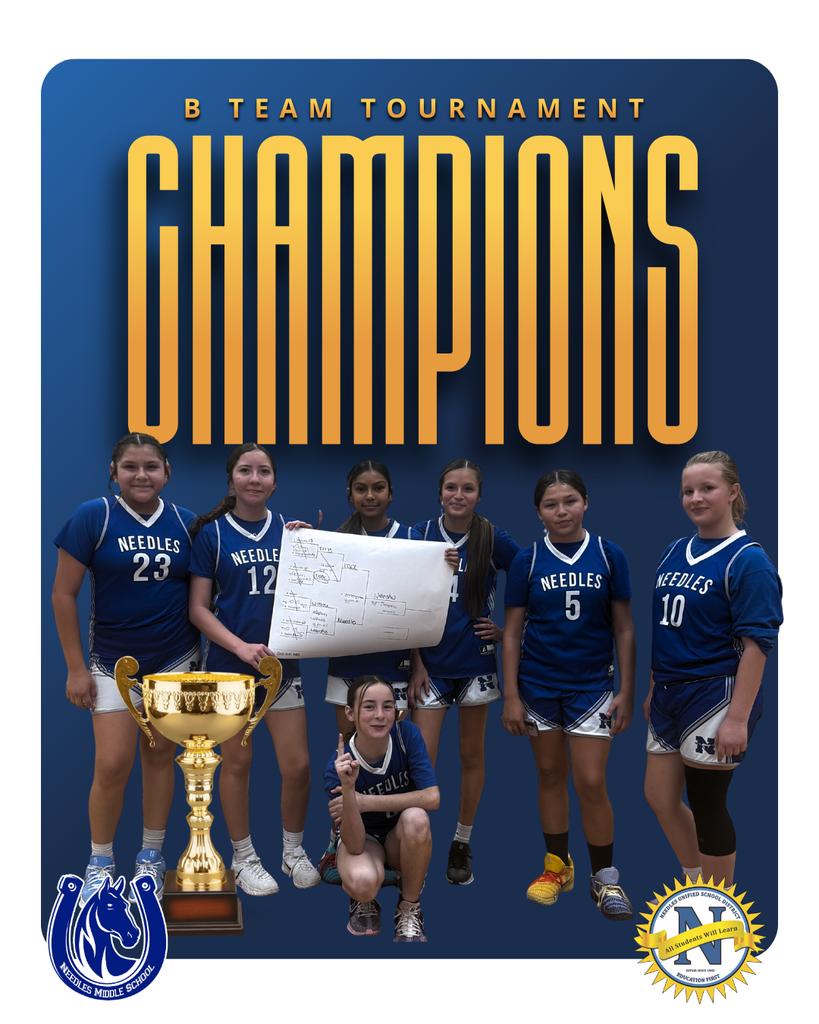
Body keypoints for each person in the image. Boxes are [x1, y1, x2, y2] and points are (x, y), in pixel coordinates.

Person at [52, 433, 202, 905]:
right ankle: (100, 861)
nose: (142, 475)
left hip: (175, 658)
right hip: (111, 662)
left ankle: (150, 859)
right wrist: (76, 668)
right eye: (131, 467)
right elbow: (62, 594)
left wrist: (297, 537)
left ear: (167, 472)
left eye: (151, 467)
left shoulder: (187, 523)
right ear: (113, 471)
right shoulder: (92, 516)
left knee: (160, 757)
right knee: (113, 764)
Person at [643, 451, 782, 889]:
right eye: (688, 490)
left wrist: (738, 718)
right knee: (659, 797)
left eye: (708, 488)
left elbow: (758, 643)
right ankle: (694, 880)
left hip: (715, 694)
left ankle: (718, 910)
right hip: (668, 690)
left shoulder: (749, 560)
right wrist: (652, 686)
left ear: (733, 492)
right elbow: (665, 626)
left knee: (707, 804)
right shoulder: (673, 549)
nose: (696, 498)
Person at [502, 469, 636, 920]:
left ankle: (606, 879)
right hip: (538, 688)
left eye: (570, 501)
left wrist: (627, 691)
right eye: (551, 504)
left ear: (585, 502)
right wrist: (511, 696)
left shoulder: (609, 554)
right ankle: (557, 868)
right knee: (549, 776)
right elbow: (513, 634)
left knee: (592, 782)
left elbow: (624, 629)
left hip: (592, 689)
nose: (561, 511)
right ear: (538, 511)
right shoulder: (527, 560)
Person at [188, 443, 321, 896]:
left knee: (298, 766)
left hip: (283, 670)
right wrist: (241, 647)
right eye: (245, 470)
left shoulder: (290, 530)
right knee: (238, 763)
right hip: (230, 667)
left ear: (274, 482)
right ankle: (244, 858)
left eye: (264, 471)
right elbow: (199, 609)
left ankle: (293, 850)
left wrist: (310, 547)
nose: (254, 478)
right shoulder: (213, 535)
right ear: (232, 480)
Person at [410, 459, 520, 886]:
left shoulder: (494, 538)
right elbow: (395, 597)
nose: (459, 495)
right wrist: (415, 660)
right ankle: (415, 839)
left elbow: (533, 577)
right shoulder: (418, 535)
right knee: (424, 761)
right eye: (451, 488)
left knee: (472, 756)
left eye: (468, 489)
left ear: (479, 494)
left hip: (474, 661)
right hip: (431, 665)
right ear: (439, 493)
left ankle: (461, 840)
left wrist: (511, 630)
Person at [325, 675, 439, 942]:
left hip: (400, 839)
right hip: (362, 841)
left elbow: (432, 798)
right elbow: (353, 844)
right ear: (350, 713)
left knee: (417, 818)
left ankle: (410, 907)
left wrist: (364, 802)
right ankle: (363, 899)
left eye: (388, 706)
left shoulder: (406, 734)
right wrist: (350, 789)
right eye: (369, 707)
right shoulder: (338, 765)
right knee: (364, 884)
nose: (380, 715)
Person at [325, 461, 413, 732]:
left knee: (392, 754)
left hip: (394, 666)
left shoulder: (414, 539)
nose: (370, 496)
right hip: (347, 665)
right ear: (350, 494)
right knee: (349, 753)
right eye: (361, 489)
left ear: (391, 493)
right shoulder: (335, 541)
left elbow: (423, 613)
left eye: (378, 488)